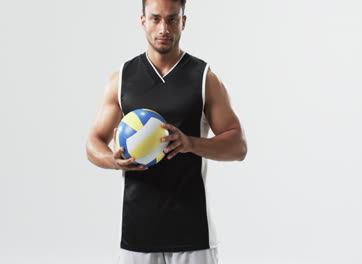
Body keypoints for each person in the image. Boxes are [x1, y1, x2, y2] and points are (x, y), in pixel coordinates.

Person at [85, 0, 247, 263]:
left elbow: (238, 146)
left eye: (172, 19)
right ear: (143, 21)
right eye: (156, 19)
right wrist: (111, 160)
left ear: (183, 22)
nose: (164, 28)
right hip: (137, 235)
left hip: (193, 235)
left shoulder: (204, 78)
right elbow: (94, 141)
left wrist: (189, 143)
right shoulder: (122, 79)